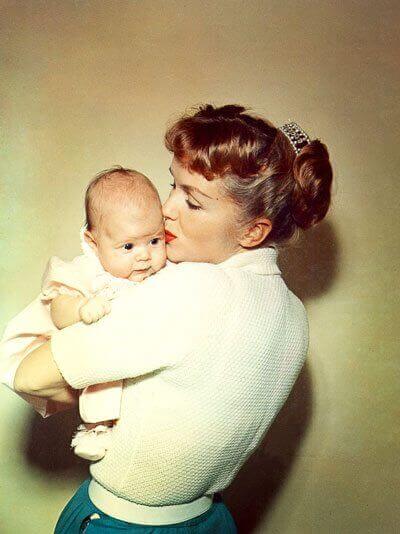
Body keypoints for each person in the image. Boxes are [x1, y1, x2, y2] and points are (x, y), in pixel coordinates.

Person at [12, 104, 333, 533]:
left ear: (252, 232)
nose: (165, 209)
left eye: (193, 202)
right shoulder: (295, 317)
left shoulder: (189, 290)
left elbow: (30, 376)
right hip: (212, 520)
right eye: (173, 185)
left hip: (122, 523)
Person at [0, 167, 166, 461]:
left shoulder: (162, 273)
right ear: (93, 242)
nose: (144, 255)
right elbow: (58, 310)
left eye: (154, 241)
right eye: (128, 246)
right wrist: (80, 309)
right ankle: (96, 428)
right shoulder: (86, 271)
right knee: (102, 373)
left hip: (138, 366)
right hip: (87, 346)